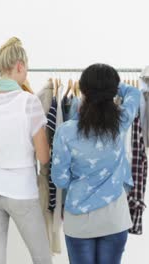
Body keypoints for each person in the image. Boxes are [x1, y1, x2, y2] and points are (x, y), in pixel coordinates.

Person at [0, 37, 52, 264]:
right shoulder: (29, 102)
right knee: (42, 257)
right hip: (21, 192)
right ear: (19, 66)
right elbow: (43, 157)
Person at [51, 63, 140, 264]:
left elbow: (60, 180)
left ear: (82, 91)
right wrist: (113, 88)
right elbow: (134, 93)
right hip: (114, 217)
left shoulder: (65, 131)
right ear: (112, 91)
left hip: (79, 219)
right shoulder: (121, 121)